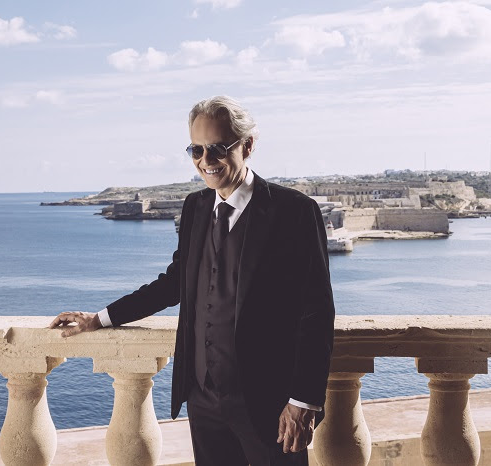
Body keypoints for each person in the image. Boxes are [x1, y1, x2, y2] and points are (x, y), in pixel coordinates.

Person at [48, 96, 335, 465]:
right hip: (203, 401)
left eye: (217, 148)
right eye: (196, 150)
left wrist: (303, 401)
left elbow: (317, 312)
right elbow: (174, 283)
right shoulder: (195, 208)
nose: (206, 161)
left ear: (247, 146)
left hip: (271, 403)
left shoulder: (294, 212)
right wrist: (100, 318)